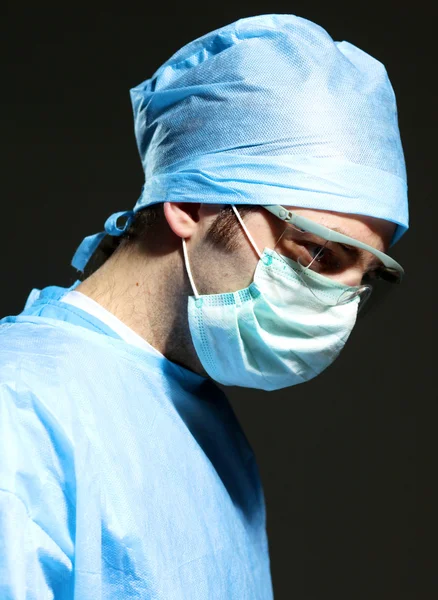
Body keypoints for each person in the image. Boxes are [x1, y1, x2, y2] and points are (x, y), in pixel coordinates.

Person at [0, 13, 408, 599]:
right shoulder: (19, 409)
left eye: (365, 277)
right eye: (318, 253)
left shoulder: (205, 427)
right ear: (190, 203)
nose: (338, 303)